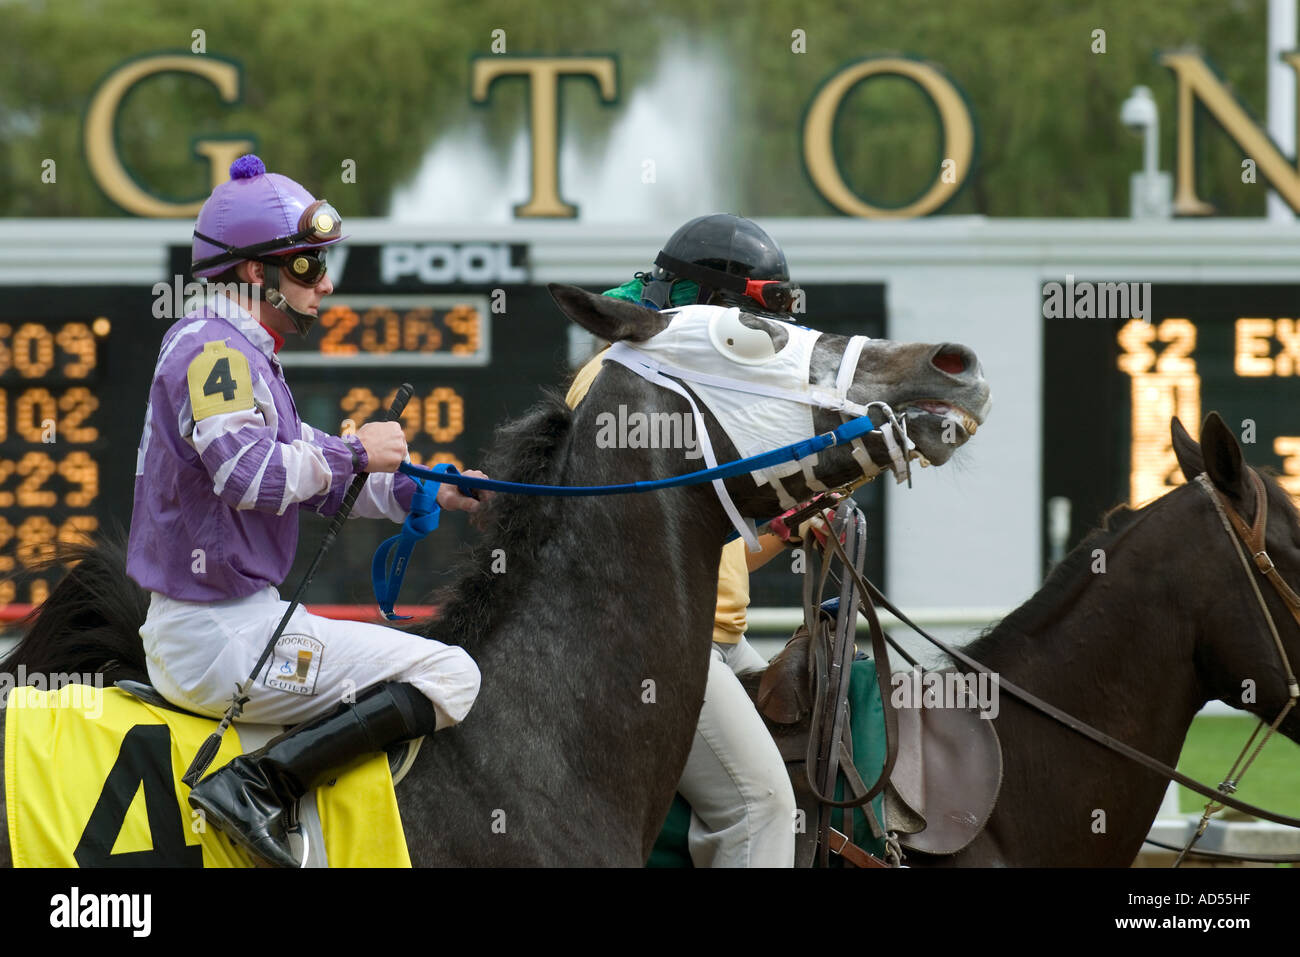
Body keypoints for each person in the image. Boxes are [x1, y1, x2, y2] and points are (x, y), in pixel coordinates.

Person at [125, 154, 484, 868]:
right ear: (255, 273)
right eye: (306, 267)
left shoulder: (243, 355)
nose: (324, 284)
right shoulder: (213, 352)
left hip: (229, 626)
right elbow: (249, 474)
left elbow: (319, 474)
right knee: (453, 676)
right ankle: (257, 786)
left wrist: (434, 488)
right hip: (218, 636)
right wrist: (359, 454)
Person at [566, 213, 810, 867]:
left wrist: (783, 530)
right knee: (759, 809)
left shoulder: (686, 389)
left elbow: (701, 547)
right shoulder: (615, 381)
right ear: (706, 305)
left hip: (715, 642)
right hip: (654, 647)